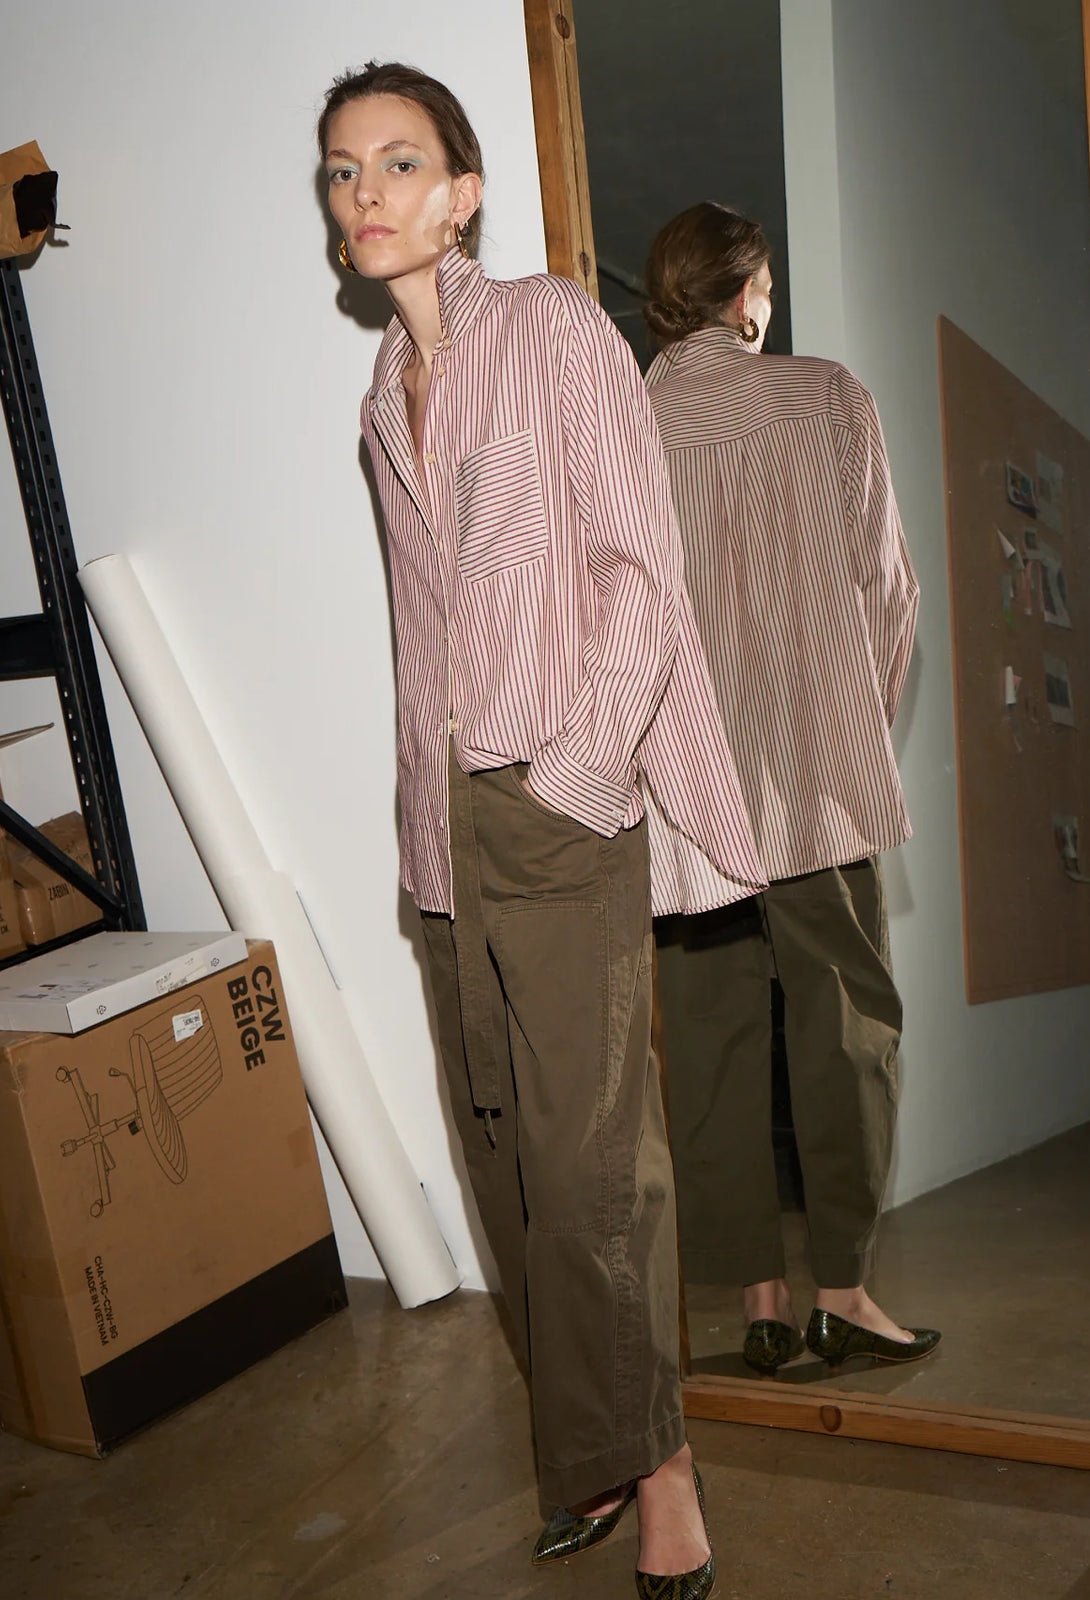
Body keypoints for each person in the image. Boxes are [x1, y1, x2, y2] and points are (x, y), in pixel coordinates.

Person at [319, 65, 764, 1596]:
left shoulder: (558, 330)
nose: (365, 193)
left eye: (398, 163)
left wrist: (576, 774)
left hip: (556, 806)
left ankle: (665, 1471)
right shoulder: (384, 399)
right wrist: (421, 810)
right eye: (341, 172)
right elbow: (418, 635)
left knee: (591, 1168)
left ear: (464, 193)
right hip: (444, 834)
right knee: (503, 1155)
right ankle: (584, 1449)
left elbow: (641, 565)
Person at [642, 202, 940, 1378]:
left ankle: (759, 1306)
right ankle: (843, 1294)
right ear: (749, 291)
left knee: (710, 1047)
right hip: (816, 782)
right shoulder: (825, 399)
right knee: (846, 1030)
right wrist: (845, 725)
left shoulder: (622, 423)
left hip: (680, 800)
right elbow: (888, 594)